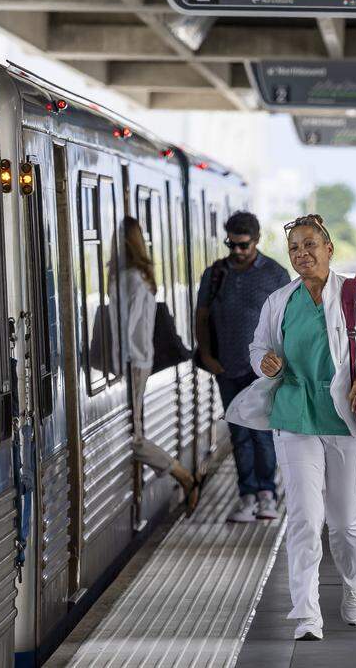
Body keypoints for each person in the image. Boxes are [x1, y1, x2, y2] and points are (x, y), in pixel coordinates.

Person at [226, 214, 356, 641]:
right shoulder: (280, 300)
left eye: (310, 246)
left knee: (344, 520)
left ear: (329, 249)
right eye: (294, 249)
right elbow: (259, 346)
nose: (301, 254)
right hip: (294, 412)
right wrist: (262, 361)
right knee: (305, 516)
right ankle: (306, 613)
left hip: (345, 417)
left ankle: (353, 581)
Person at [196, 211, 290, 523]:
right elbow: (202, 315)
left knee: (262, 432)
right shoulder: (215, 274)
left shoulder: (275, 274)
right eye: (231, 244)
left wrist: (282, 362)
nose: (236, 251)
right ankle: (246, 495)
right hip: (228, 367)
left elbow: (287, 321)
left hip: (262, 370)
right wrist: (208, 356)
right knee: (238, 434)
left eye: (243, 246)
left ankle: (267, 494)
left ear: (257, 241)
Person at [120, 218, 201, 511]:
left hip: (131, 363)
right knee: (133, 432)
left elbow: (124, 328)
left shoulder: (127, 277)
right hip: (140, 360)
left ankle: (184, 477)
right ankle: (183, 476)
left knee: (133, 437)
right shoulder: (140, 274)